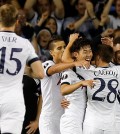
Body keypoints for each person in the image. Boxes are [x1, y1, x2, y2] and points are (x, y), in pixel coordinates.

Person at [0, 4, 44, 134]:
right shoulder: (25, 43)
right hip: (13, 101)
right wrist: (25, 70)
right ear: (17, 20)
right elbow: (40, 73)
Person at [39, 35, 88, 134]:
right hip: (49, 119)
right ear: (51, 52)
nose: (63, 50)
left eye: (65, 47)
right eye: (59, 48)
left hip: (64, 117)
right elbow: (53, 70)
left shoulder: (69, 70)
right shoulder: (47, 64)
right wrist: (73, 63)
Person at [60, 36, 95, 134]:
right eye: (85, 52)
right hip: (72, 122)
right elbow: (63, 90)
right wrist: (71, 42)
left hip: (86, 122)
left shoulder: (93, 69)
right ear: (75, 54)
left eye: (90, 51)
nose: (89, 54)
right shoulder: (72, 70)